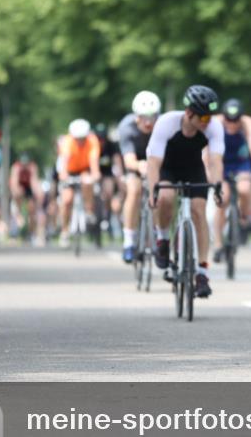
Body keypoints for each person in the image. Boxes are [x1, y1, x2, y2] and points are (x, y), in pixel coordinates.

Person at [145, 85, 224, 298]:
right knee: (165, 197)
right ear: (189, 113)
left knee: (199, 211)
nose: (207, 121)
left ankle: (202, 273)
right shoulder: (167, 123)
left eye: (210, 117)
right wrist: (153, 191)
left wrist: (218, 186)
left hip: (193, 168)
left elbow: (216, 161)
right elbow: (153, 163)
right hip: (167, 167)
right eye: (203, 117)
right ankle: (163, 239)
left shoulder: (214, 127)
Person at [212, 98, 251, 262]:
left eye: (235, 120)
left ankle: (243, 217)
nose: (232, 124)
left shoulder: (247, 123)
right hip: (221, 163)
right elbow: (207, 150)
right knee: (222, 200)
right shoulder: (216, 122)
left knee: (244, 188)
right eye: (229, 120)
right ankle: (218, 244)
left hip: (241, 163)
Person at [118, 90, 161, 263]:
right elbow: (129, 161)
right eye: (144, 117)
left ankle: (158, 234)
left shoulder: (163, 126)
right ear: (137, 116)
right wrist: (140, 166)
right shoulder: (126, 127)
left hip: (156, 162)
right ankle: (128, 241)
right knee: (134, 190)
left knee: (160, 191)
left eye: (153, 117)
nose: (148, 122)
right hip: (135, 163)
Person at [57, 119, 101, 248]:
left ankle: (88, 211)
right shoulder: (67, 142)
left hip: (84, 169)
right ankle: (64, 231)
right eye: (77, 138)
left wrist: (95, 174)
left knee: (87, 182)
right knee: (66, 200)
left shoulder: (92, 141)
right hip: (70, 170)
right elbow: (64, 160)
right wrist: (63, 175)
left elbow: (94, 161)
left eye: (83, 138)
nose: (80, 141)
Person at [94, 123, 124, 239]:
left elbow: (117, 162)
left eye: (102, 138)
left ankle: (107, 213)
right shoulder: (92, 145)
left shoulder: (112, 145)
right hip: (94, 173)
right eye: (99, 138)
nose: (101, 141)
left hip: (107, 173)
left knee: (108, 191)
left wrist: (120, 178)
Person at [10, 153, 44, 244]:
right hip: (19, 187)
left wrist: (38, 193)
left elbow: (34, 182)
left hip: (29, 188)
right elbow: (14, 183)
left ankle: (32, 232)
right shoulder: (16, 167)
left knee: (32, 209)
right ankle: (18, 214)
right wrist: (17, 193)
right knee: (17, 194)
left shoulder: (32, 167)